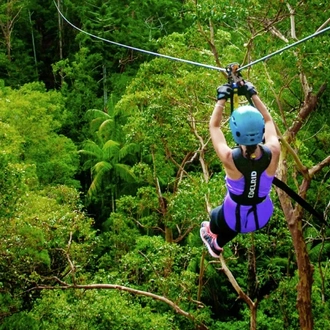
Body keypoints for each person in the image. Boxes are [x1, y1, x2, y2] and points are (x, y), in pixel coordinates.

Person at [200, 81, 281, 258]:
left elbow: (214, 127)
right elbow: (268, 120)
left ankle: (212, 237)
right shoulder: (273, 151)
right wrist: (252, 94)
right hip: (262, 214)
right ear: (260, 132)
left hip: (233, 215)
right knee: (237, 221)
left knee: (215, 216)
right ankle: (217, 245)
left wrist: (221, 99)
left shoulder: (230, 158)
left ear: (236, 132)